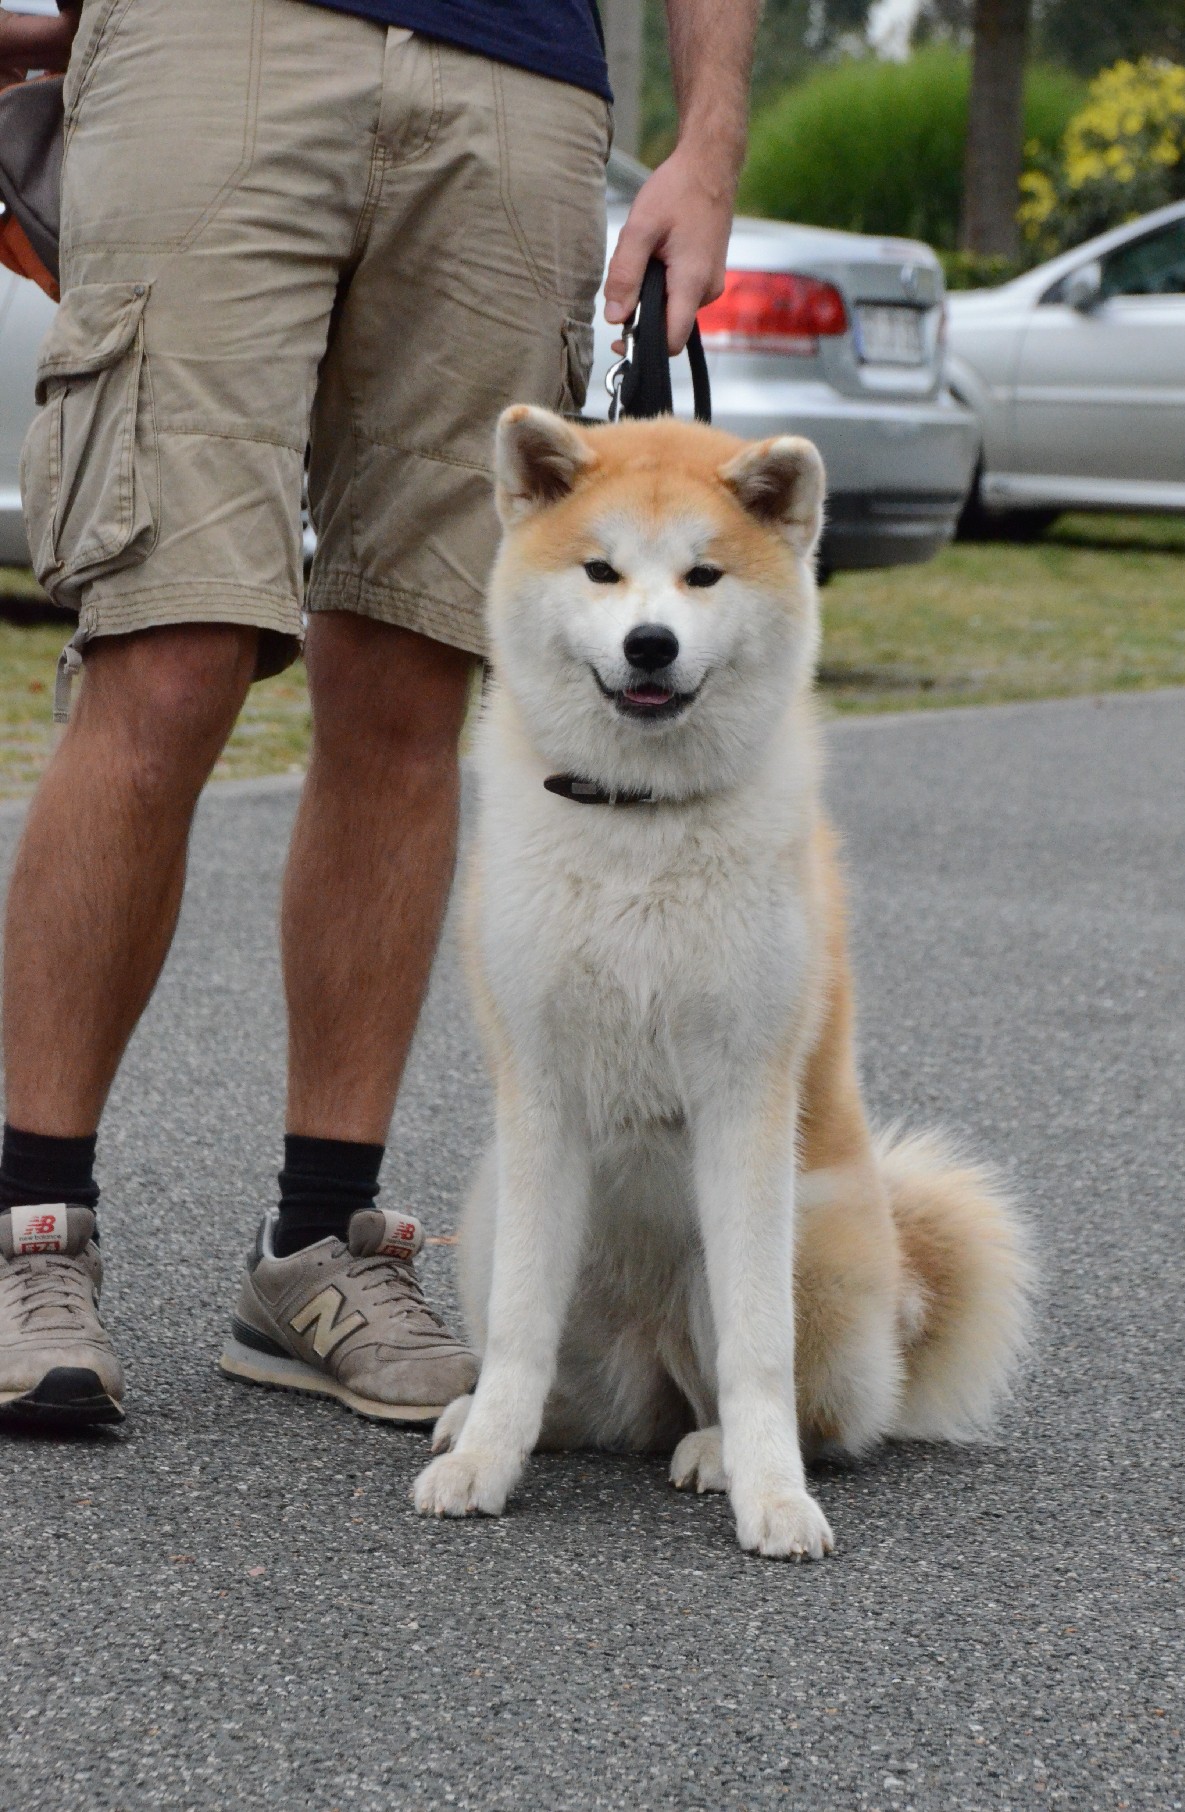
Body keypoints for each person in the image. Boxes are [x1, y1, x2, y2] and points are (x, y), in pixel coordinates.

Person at [0, 0, 760, 1428]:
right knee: (168, 649)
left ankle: (319, 1241)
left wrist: (709, 139)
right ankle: (31, 1227)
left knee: (416, 676)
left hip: (520, 74)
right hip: (213, 38)